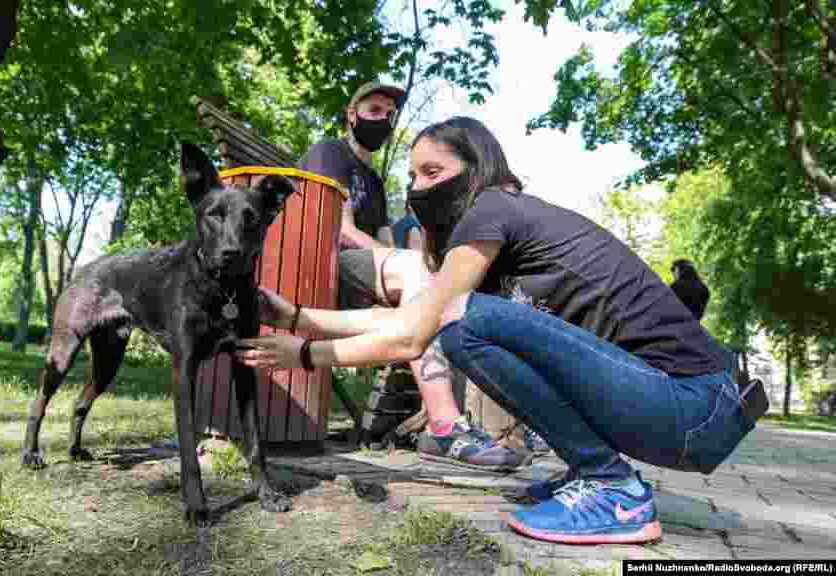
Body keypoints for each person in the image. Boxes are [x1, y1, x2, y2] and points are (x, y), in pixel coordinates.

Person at [237, 117, 757, 544]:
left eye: (433, 172)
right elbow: (411, 318)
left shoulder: (493, 209)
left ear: (476, 168)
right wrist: (299, 318)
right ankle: (592, 474)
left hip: (694, 406)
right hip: (688, 414)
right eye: (413, 176)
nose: (417, 188)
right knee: (459, 320)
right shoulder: (495, 239)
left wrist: (304, 355)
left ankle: (612, 488)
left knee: (463, 325)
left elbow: (412, 336)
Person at [300, 82, 529, 471]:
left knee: (451, 292)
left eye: (390, 114)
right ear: (352, 115)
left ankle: (485, 428)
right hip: (324, 267)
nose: (383, 119)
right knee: (421, 273)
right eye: (374, 110)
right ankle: (444, 426)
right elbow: (341, 230)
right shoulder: (330, 153)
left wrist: (428, 275)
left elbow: (386, 239)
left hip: (370, 273)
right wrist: (413, 267)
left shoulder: (373, 180)